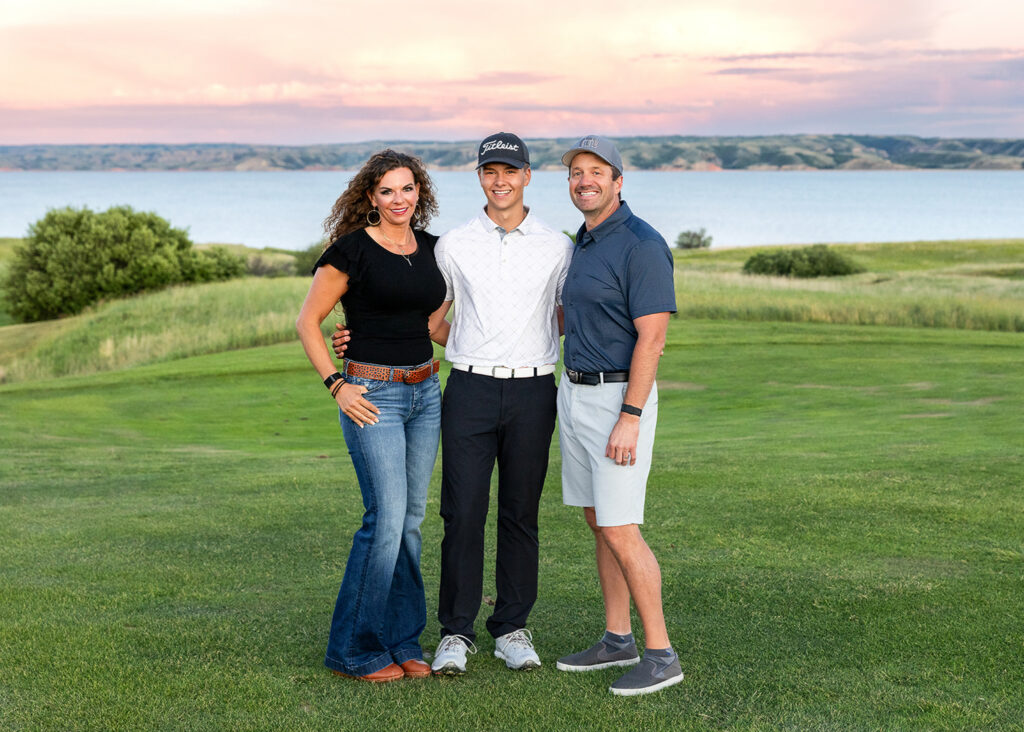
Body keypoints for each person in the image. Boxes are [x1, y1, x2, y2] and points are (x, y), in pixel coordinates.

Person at [334, 132, 574, 674]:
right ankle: (455, 632)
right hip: (468, 389)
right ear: (481, 177)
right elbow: (424, 317)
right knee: (461, 512)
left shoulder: (558, 246)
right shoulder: (452, 244)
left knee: (520, 514)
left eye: (510, 171)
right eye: (490, 171)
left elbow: (565, 318)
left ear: (528, 176)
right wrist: (356, 340)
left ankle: (512, 628)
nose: (501, 180)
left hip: (535, 389)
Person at [296, 149, 449, 683]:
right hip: (371, 395)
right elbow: (307, 323)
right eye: (387, 191)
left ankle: (402, 640)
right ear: (370, 198)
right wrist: (337, 385)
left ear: (419, 193)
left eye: (407, 189)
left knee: (410, 522)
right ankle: (355, 650)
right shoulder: (351, 252)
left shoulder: (434, 250)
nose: (398, 199)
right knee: (384, 520)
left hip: (426, 392)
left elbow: (434, 324)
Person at [554, 135, 683, 696]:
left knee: (621, 525)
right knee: (597, 520)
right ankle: (617, 637)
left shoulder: (641, 244)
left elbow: (652, 339)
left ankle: (661, 654)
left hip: (617, 401)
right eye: (577, 171)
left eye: (597, 171)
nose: (585, 180)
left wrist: (630, 414)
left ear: (618, 180)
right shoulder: (581, 242)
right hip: (575, 393)